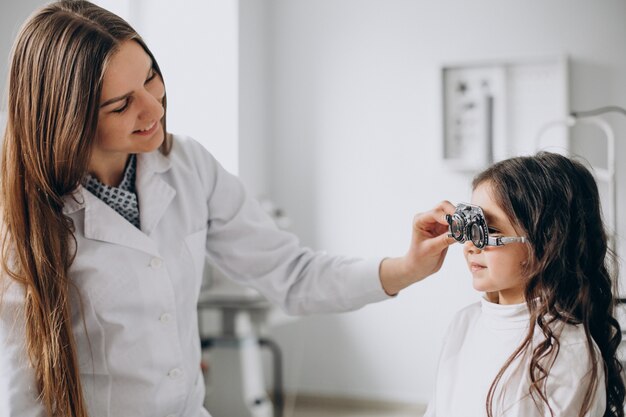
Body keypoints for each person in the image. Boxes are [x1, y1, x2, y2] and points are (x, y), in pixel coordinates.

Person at [0, 1, 455, 416]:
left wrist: (407, 267)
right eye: (121, 105)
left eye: (150, 77)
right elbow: (24, 387)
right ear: (68, 119)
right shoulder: (26, 218)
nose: (152, 106)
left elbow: (292, 274)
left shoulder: (186, 165)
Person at [424, 152, 625, 417]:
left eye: (490, 231)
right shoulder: (463, 324)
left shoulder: (570, 352)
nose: (471, 246)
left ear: (547, 243)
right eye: (469, 226)